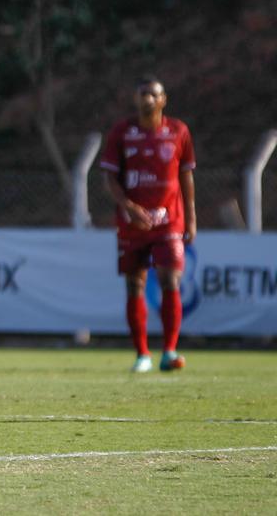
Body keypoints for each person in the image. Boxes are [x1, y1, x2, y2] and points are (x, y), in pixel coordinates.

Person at [99, 76, 196, 373]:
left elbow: (186, 176)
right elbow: (109, 178)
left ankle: (169, 350)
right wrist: (129, 207)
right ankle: (142, 354)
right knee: (135, 283)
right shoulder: (122, 132)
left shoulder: (178, 131)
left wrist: (191, 217)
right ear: (136, 98)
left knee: (170, 280)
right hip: (132, 223)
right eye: (143, 94)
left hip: (169, 221)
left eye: (153, 95)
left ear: (163, 99)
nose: (148, 100)